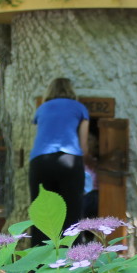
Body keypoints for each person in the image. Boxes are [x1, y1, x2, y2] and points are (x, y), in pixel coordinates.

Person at [28, 78, 90, 246]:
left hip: (40, 161)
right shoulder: (80, 108)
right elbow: (83, 145)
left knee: (42, 214)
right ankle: (74, 265)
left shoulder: (41, 109)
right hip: (69, 160)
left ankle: (38, 268)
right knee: (72, 216)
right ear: (71, 90)